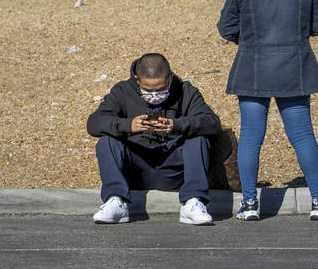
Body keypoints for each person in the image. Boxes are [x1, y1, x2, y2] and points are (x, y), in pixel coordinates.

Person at [218, 0, 318, 222]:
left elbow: (226, 28)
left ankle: (249, 204)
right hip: (294, 67)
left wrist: (248, 41)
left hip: (252, 68)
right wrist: (297, 35)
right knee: (301, 136)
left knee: (251, 137)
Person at [87, 53, 221, 225]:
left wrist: (177, 125)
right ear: (137, 80)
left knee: (200, 138)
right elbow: (94, 123)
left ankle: (193, 202)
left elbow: (212, 122)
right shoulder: (122, 91)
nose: (155, 95)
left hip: (174, 169)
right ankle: (115, 200)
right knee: (106, 141)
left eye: (160, 89)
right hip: (135, 169)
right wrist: (128, 126)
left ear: (170, 79)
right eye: (148, 91)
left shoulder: (186, 91)